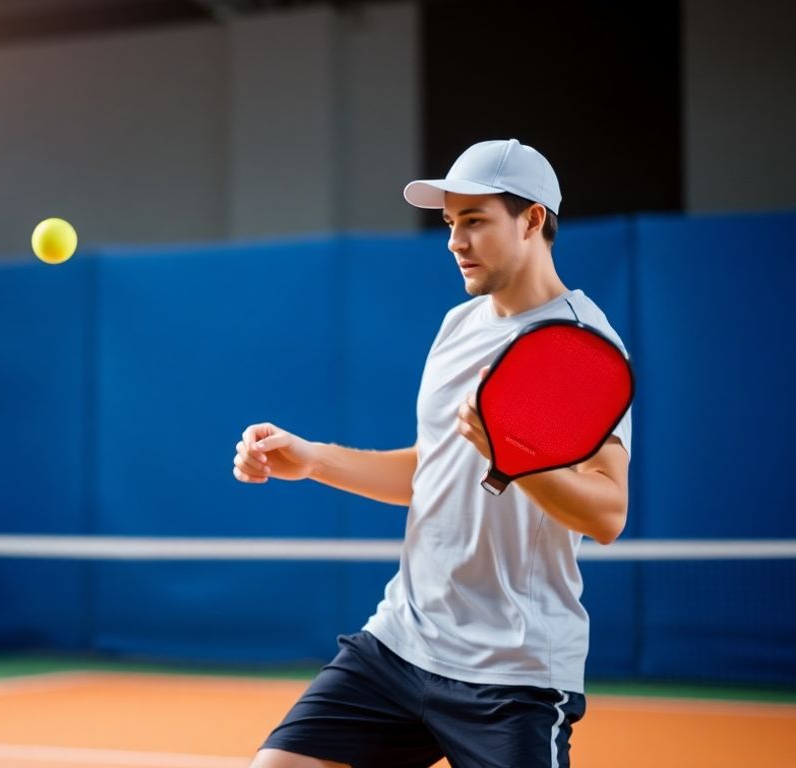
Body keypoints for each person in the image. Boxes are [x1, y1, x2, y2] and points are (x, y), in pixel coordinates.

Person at [233, 139, 632, 768]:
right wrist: (313, 460)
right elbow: (432, 472)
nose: (455, 241)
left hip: (512, 672)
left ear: (532, 220)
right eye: (450, 223)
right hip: (400, 643)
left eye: (475, 220)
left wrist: (522, 459)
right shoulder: (457, 327)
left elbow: (608, 514)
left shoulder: (580, 345)